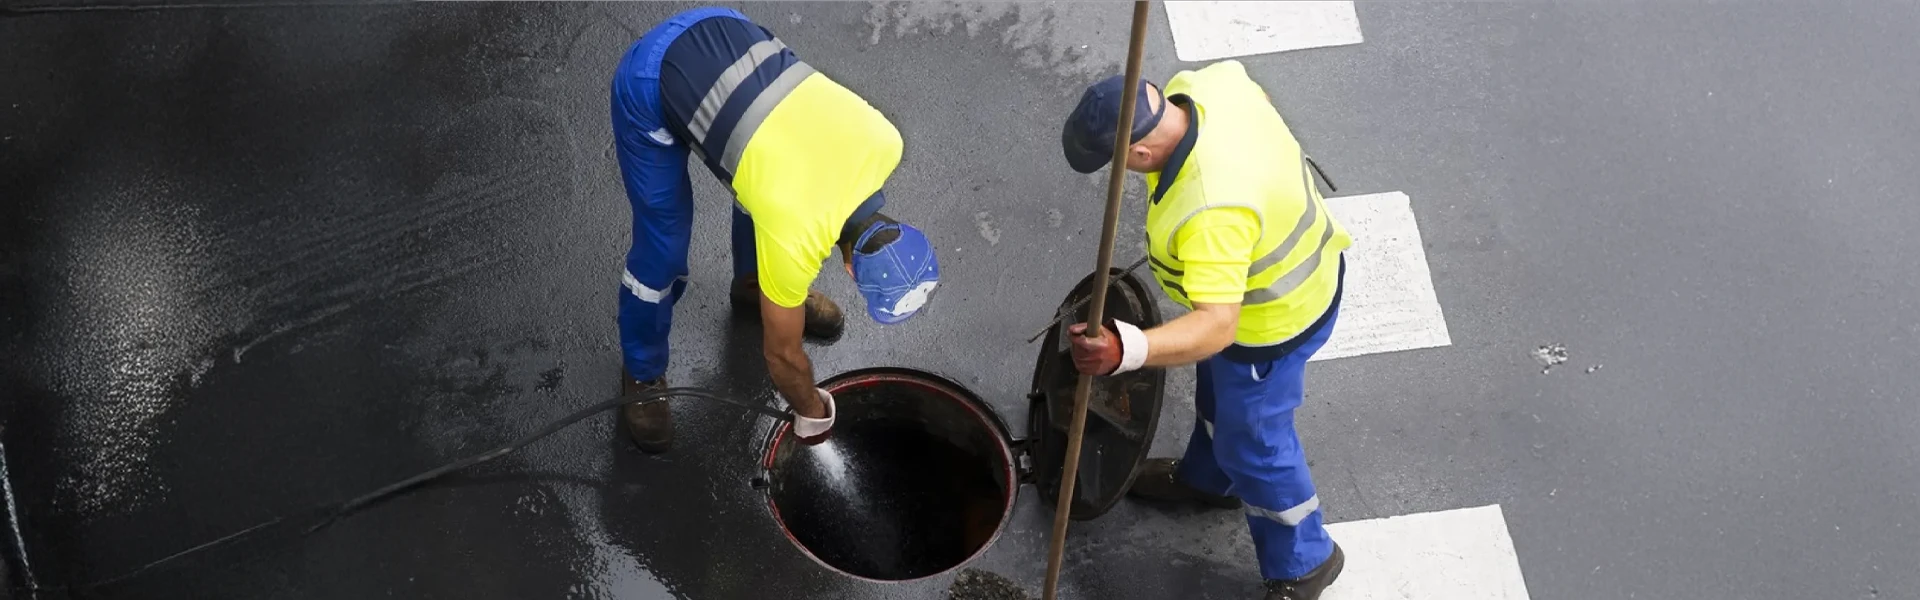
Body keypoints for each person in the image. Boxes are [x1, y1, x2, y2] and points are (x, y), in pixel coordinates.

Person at [1058, 60, 1351, 600]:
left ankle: (1304, 562)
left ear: (1141, 153)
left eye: (1118, 162)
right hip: (1290, 271)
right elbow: (1254, 96)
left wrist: (1127, 348)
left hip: (1273, 319)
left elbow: (1216, 328)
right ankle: (1208, 481)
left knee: (1255, 443)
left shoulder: (1212, 210)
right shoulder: (1204, 86)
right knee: (1219, 400)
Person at [610, 7, 940, 453]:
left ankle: (753, 287)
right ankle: (642, 370)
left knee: (766, 184)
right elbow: (782, 357)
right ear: (848, 270)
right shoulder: (794, 238)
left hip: (728, 29)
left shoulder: (886, 142)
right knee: (662, 249)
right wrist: (812, 411)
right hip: (652, 79)